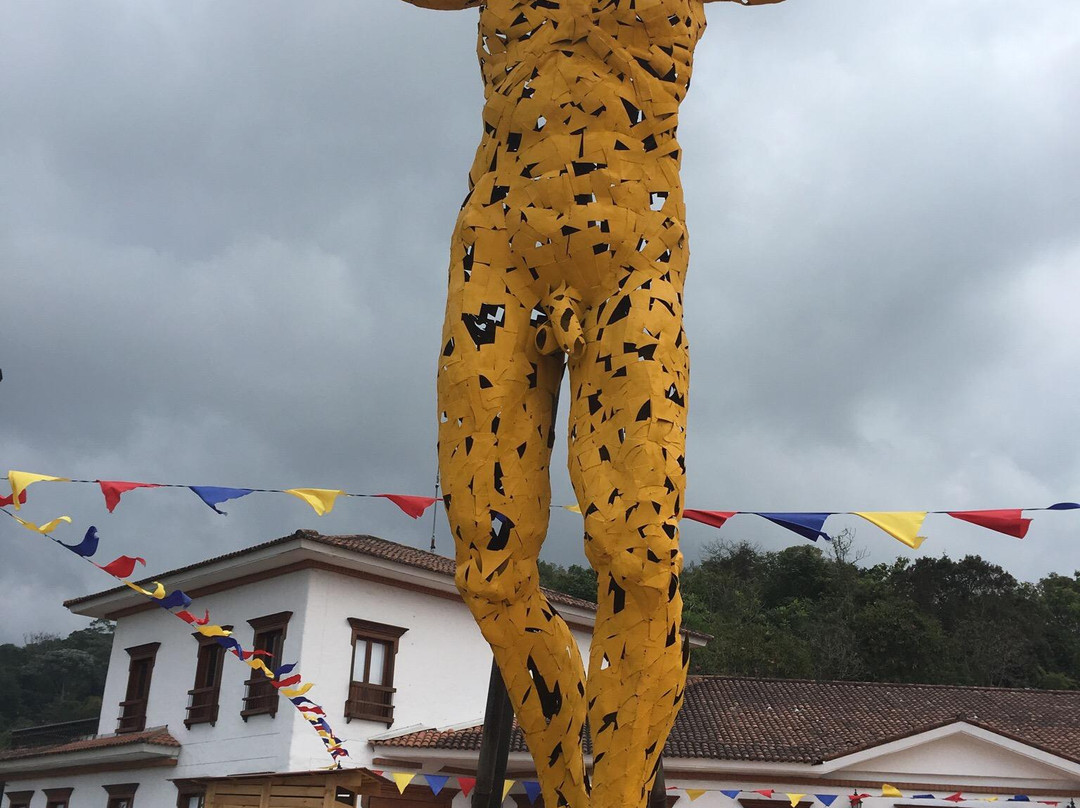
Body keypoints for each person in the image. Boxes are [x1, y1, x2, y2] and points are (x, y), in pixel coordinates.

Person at [401, 1, 785, 807]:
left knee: (640, 551)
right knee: (488, 565)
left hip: (634, 253)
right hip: (500, 244)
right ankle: (572, 787)